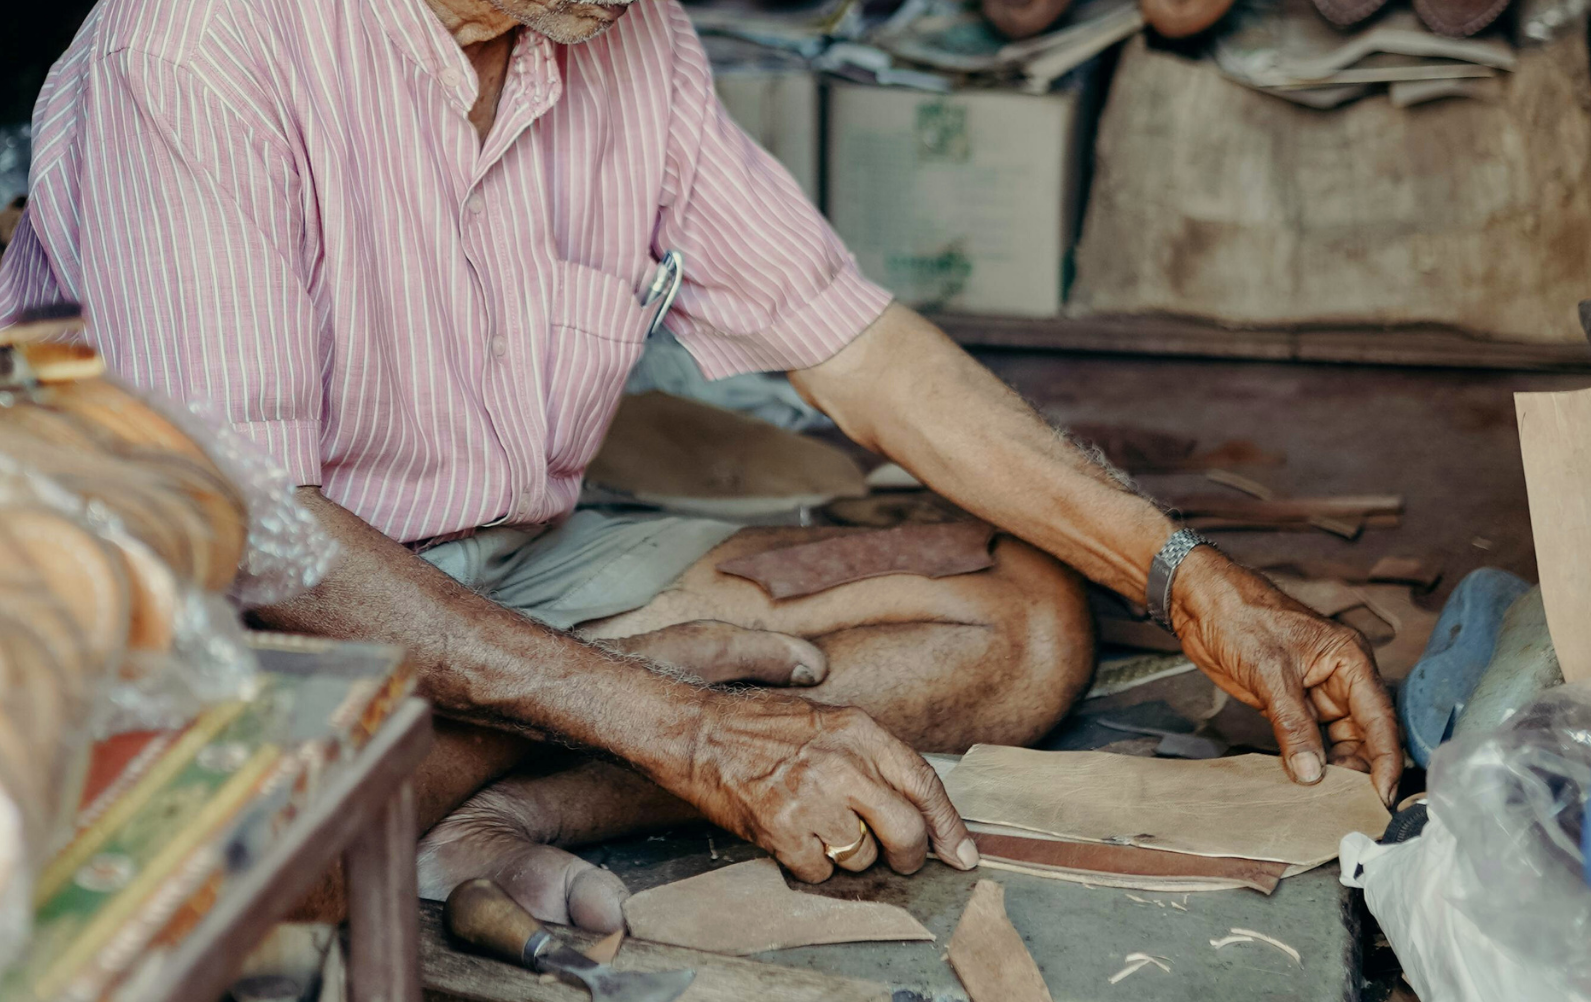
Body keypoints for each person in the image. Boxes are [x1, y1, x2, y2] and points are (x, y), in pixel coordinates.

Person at [0, 0, 1402, 932]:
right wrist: (681, 718)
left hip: (518, 576)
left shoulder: (630, 41)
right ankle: (607, 716)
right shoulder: (192, 48)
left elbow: (857, 350)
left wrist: (1184, 576)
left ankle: (504, 806)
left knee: (1022, 626)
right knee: (205, 865)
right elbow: (253, 539)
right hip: (245, 623)